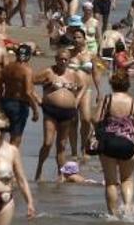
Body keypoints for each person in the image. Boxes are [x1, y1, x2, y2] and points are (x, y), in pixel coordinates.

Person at [94, 70, 134, 217]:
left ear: (111, 84)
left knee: (111, 182)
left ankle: (113, 215)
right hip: (128, 144)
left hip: (108, 143)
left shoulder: (106, 99)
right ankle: (128, 207)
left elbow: (96, 119)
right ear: (128, 85)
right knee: (127, 179)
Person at [33, 48, 85, 181]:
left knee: (61, 145)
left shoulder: (73, 74)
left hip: (68, 113)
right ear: (56, 59)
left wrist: (77, 100)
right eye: (60, 59)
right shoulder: (49, 72)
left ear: (69, 60)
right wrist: (38, 99)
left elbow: (83, 86)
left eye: (65, 59)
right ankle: (39, 169)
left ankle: (60, 175)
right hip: (50, 111)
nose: (63, 61)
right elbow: (29, 82)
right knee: (48, 142)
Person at [0, 43, 40, 147]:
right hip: (19, 105)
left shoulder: (7, 67)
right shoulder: (27, 70)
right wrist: (35, 110)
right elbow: (28, 92)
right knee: (15, 138)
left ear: (16, 54)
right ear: (29, 56)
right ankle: (11, 161)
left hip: (6, 102)